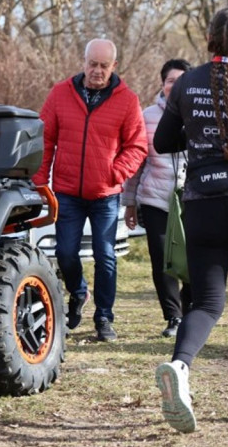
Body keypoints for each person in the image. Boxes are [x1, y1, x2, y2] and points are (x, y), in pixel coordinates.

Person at [153, 5, 228, 433]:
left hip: (201, 203)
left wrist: (198, 130)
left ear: (209, 40)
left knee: (207, 302)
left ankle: (180, 366)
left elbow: (163, 141)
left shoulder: (186, 82)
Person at [32, 38, 147, 342]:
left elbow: (137, 145)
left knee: (105, 256)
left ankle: (104, 317)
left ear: (114, 66)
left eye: (103, 66)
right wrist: (40, 181)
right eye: (92, 64)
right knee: (65, 253)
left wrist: (116, 172)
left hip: (106, 195)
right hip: (67, 192)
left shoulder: (127, 100)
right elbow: (44, 140)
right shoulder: (60, 94)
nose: (97, 71)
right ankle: (78, 292)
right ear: (83, 62)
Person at [122, 58, 192, 338]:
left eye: (181, 81)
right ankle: (173, 317)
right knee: (162, 258)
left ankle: (191, 312)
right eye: (170, 81)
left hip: (192, 200)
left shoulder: (200, 112)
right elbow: (137, 161)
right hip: (155, 199)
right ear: (162, 84)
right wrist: (129, 201)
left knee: (193, 258)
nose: (175, 86)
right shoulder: (147, 115)